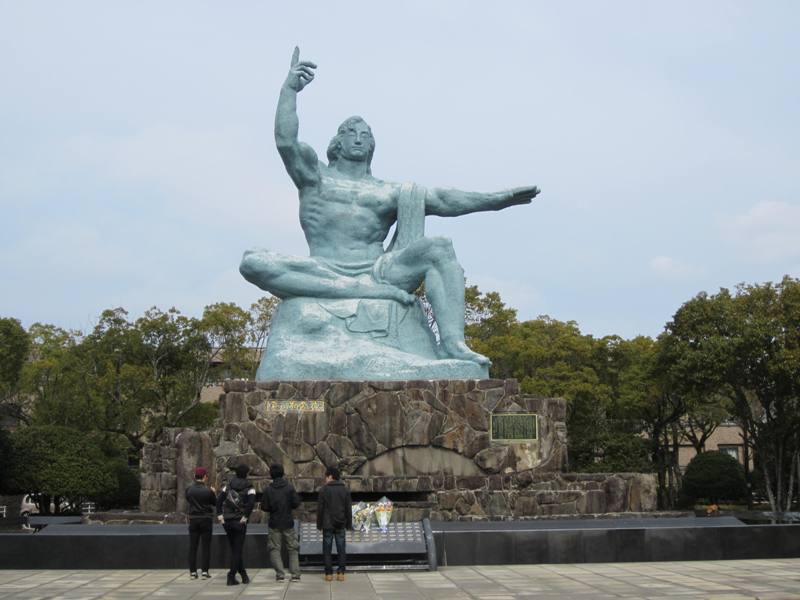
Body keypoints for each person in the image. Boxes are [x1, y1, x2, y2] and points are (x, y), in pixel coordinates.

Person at [239, 47, 540, 367]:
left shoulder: (388, 191)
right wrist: (289, 91)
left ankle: (453, 344)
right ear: (336, 143)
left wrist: (495, 201)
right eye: (350, 133)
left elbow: (443, 199)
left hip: (380, 272)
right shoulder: (315, 178)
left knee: (439, 248)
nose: (358, 138)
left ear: (372, 146)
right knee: (253, 261)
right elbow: (286, 142)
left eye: (365, 135)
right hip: (323, 268)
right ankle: (352, 289)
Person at [216, 464, 256, 586]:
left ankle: (244, 575)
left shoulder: (227, 486)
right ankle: (231, 575)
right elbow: (251, 503)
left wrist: (220, 516)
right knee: (237, 550)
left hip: (227, 521)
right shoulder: (250, 487)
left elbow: (219, 501)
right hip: (240, 521)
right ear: (246, 474)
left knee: (235, 549)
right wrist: (245, 517)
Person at [262, 464, 302, 582]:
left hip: (274, 523)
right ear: (283, 473)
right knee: (293, 548)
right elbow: (296, 503)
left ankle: (280, 575)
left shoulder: (268, 489)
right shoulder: (289, 487)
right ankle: (295, 574)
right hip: (288, 522)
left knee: (274, 549)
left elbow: (264, 506)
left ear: (271, 474)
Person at [316, 466, 352, 582]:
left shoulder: (323, 490)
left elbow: (320, 509)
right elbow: (348, 509)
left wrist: (319, 524)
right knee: (341, 548)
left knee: (327, 549)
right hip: (341, 523)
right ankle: (341, 573)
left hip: (327, 524)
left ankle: (328, 574)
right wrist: (349, 524)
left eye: (326, 477)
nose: (325, 479)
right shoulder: (345, 490)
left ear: (330, 476)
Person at [185, 467, 216, 580]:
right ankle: (204, 572)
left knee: (193, 547)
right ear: (204, 477)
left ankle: (193, 572)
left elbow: (188, 500)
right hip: (206, 519)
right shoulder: (208, 491)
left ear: (195, 477)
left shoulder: (189, 489)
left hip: (193, 519)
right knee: (205, 547)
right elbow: (214, 503)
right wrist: (213, 492)